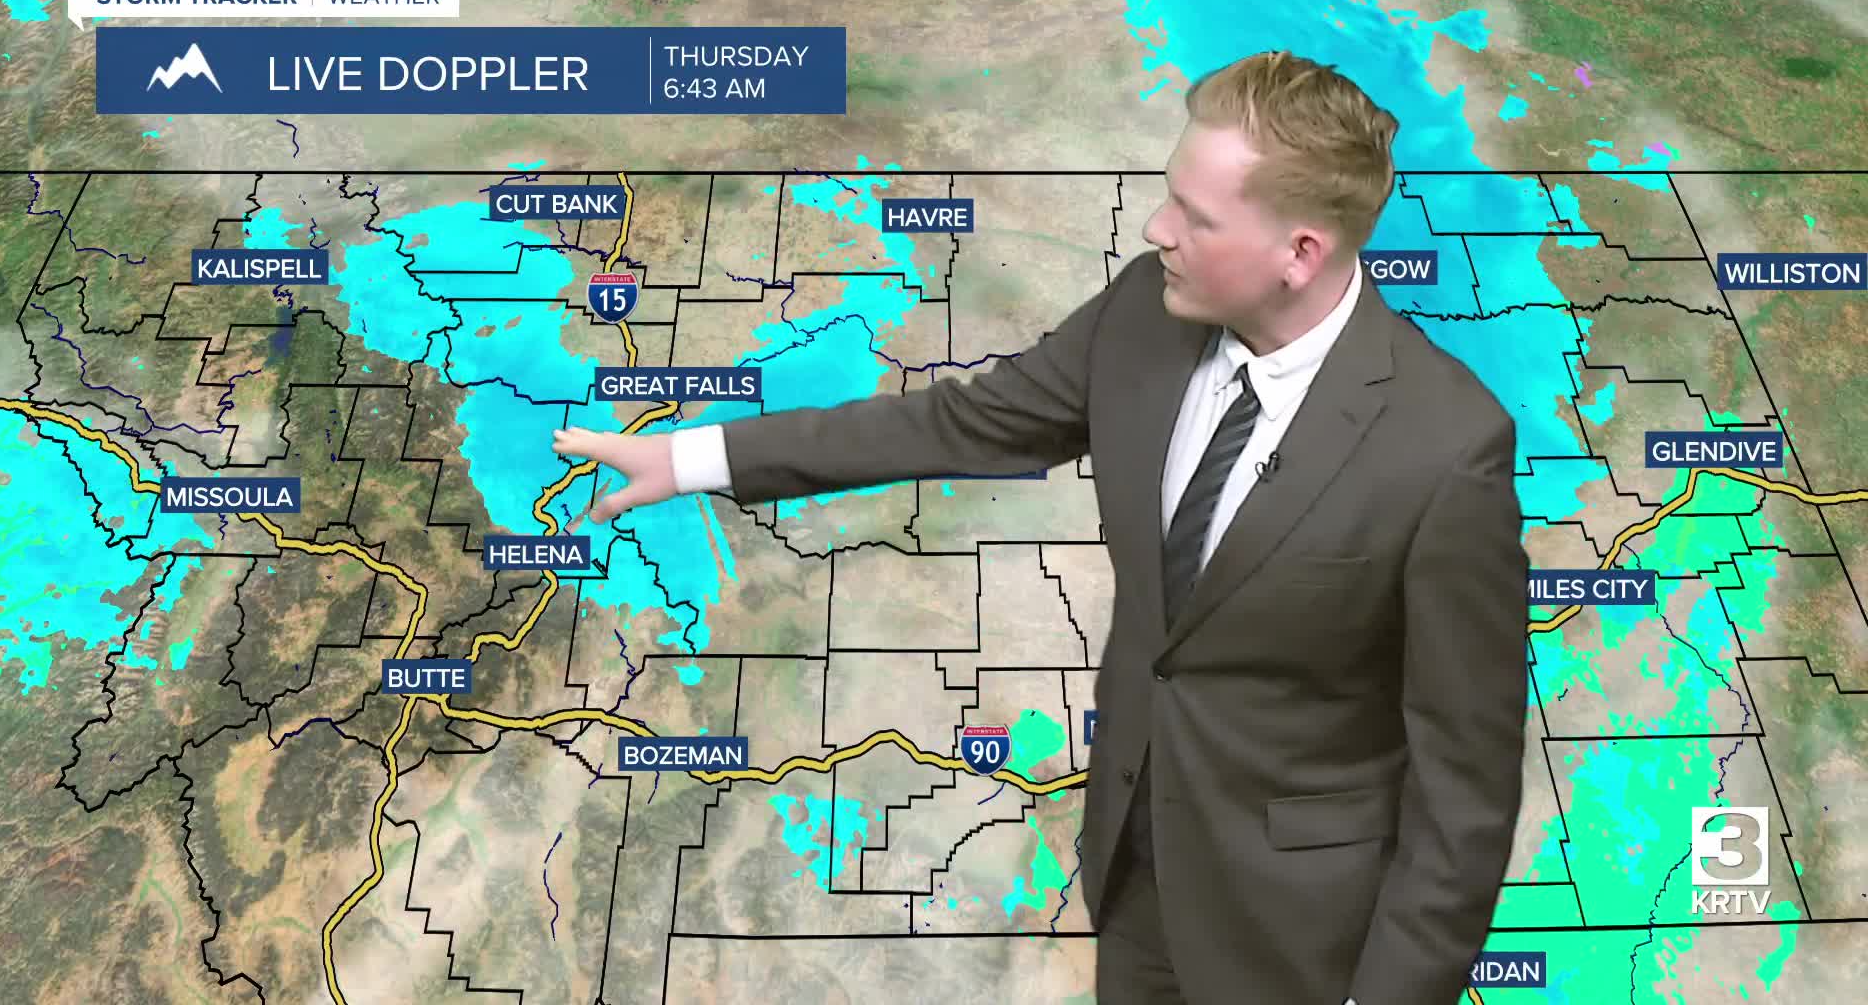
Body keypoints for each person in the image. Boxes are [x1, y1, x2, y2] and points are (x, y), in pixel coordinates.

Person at [553, 50, 1529, 1004]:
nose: (1157, 230)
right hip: (1137, 884)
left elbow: (1465, 790)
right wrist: (692, 459)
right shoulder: (1144, 315)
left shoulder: (1445, 450)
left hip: (1301, 941)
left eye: (1196, 217)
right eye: (1169, 197)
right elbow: (956, 424)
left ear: (1300, 253)